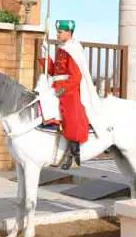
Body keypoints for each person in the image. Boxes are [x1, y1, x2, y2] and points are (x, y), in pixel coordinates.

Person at [38, 20, 104, 170]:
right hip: (56, 86)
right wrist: (45, 55)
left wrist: (61, 91)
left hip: (69, 90)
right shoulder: (61, 48)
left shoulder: (74, 49)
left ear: (69, 33)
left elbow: (76, 77)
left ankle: (75, 155)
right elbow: (54, 71)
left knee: (71, 117)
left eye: (60, 32)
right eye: (58, 32)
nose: (57, 34)